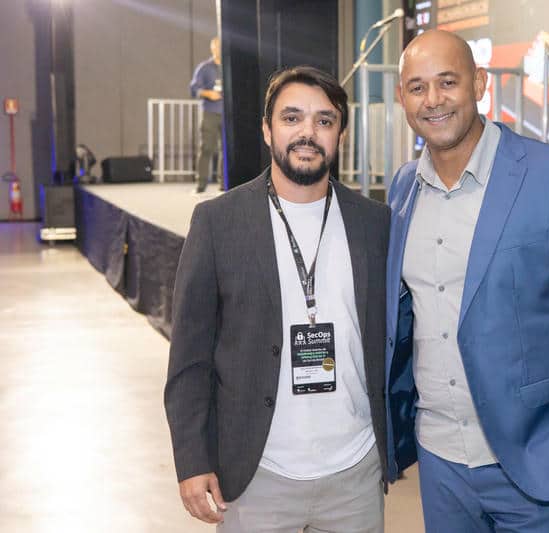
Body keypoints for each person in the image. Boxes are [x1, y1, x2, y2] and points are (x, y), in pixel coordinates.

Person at [385, 30, 549, 532]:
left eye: (447, 82)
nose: (432, 100)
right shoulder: (403, 187)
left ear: (479, 84)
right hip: (441, 462)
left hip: (544, 459)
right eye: (417, 87)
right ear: (401, 98)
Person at [165, 66, 390, 533]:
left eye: (324, 121)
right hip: (255, 475)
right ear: (268, 130)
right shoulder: (218, 223)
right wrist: (192, 458)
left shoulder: (375, 224)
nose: (308, 132)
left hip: (355, 473)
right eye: (292, 118)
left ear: (340, 135)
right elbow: (189, 356)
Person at [190, 36, 223, 193]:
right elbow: (194, 89)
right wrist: (208, 93)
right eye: (216, 46)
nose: (218, 49)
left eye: (221, 46)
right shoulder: (204, 68)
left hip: (227, 115)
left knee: (226, 150)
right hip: (210, 112)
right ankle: (201, 184)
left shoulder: (228, 67)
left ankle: (225, 184)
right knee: (207, 148)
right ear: (212, 48)